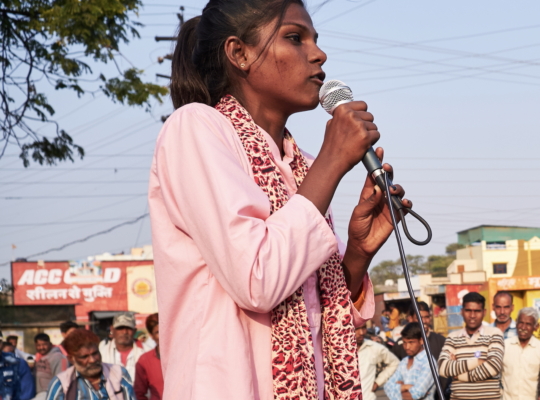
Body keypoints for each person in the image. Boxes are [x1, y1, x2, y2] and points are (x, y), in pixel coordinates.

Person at [148, 0, 413, 399]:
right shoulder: (195, 128)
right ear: (239, 53)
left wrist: (358, 253)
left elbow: (318, 314)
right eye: (294, 37)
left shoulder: (300, 165)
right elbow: (257, 279)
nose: (319, 54)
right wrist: (332, 160)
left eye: (315, 40)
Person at [438, 292, 504, 400]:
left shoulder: (494, 334)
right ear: (462, 311)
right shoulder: (452, 337)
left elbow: (493, 366)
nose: (472, 315)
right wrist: (478, 362)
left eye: (477, 311)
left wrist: (459, 375)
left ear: (484, 312)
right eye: (468, 310)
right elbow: (442, 368)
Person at [46, 329, 135, 400]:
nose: (92, 360)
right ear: (71, 359)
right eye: (84, 357)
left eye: (95, 353)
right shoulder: (61, 384)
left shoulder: (119, 373)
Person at [384, 323, 435, 400]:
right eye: (404, 342)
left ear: (421, 340)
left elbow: (417, 393)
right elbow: (387, 387)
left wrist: (397, 389)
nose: (407, 347)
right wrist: (405, 387)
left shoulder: (429, 362)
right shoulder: (404, 361)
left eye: (411, 342)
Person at [501, 307, 540, 400]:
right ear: (516, 323)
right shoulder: (504, 346)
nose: (523, 327)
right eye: (521, 323)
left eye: (528, 324)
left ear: (536, 327)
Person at [356, 323, 399, 400]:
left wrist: (378, 382)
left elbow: (395, 363)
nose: (361, 332)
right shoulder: (338, 351)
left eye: (364, 328)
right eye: (356, 329)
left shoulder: (374, 348)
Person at [99, 313, 144, 382]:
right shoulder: (101, 352)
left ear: (135, 331)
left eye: (128, 328)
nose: (124, 332)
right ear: (112, 329)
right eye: (120, 328)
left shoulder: (146, 351)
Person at [134, 314, 163, 400]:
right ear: (151, 336)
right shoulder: (145, 360)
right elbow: (139, 393)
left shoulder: (183, 356)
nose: (163, 335)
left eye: (165, 330)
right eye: (158, 332)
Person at [34, 333, 68, 399]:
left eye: (44, 344)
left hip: (50, 394)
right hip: (39, 394)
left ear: (50, 344)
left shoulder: (59, 357)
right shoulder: (38, 357)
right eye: (38, 345)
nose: (41, 347)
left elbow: (63, 380)